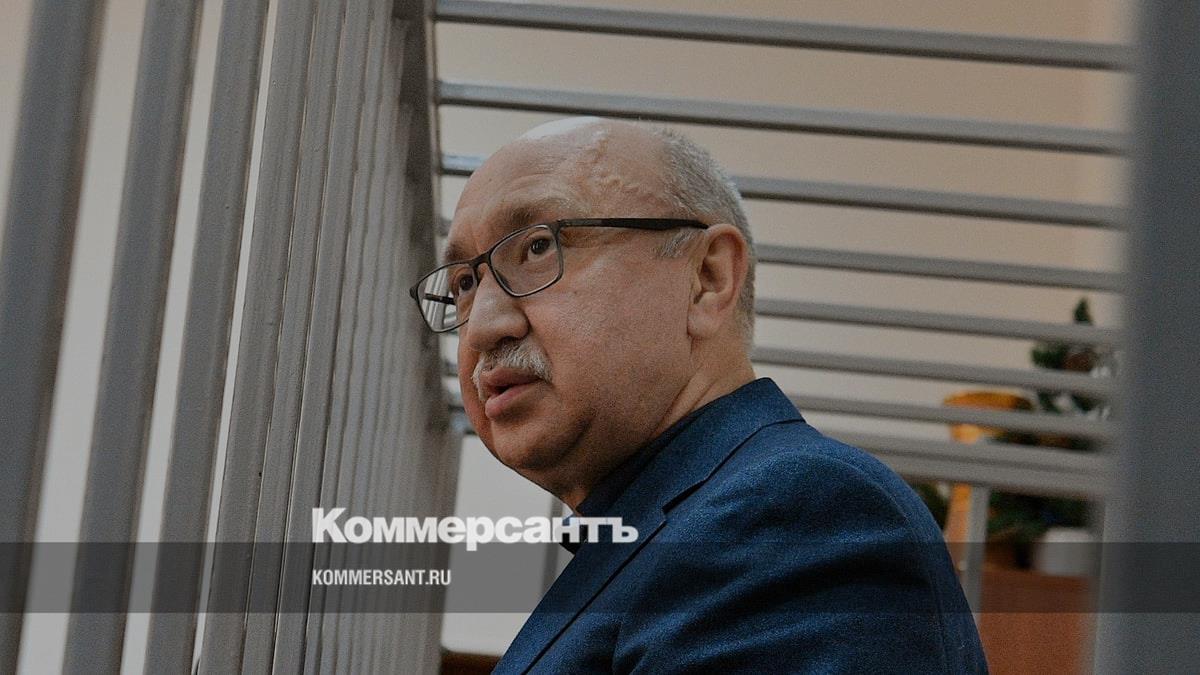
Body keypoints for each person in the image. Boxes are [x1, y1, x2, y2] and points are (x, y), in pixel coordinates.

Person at [410, 117, 987, 673]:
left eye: (538, 247)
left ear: (707, 279)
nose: (482, 327)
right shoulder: (670, 531)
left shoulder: (793, 516)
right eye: (465, 283)